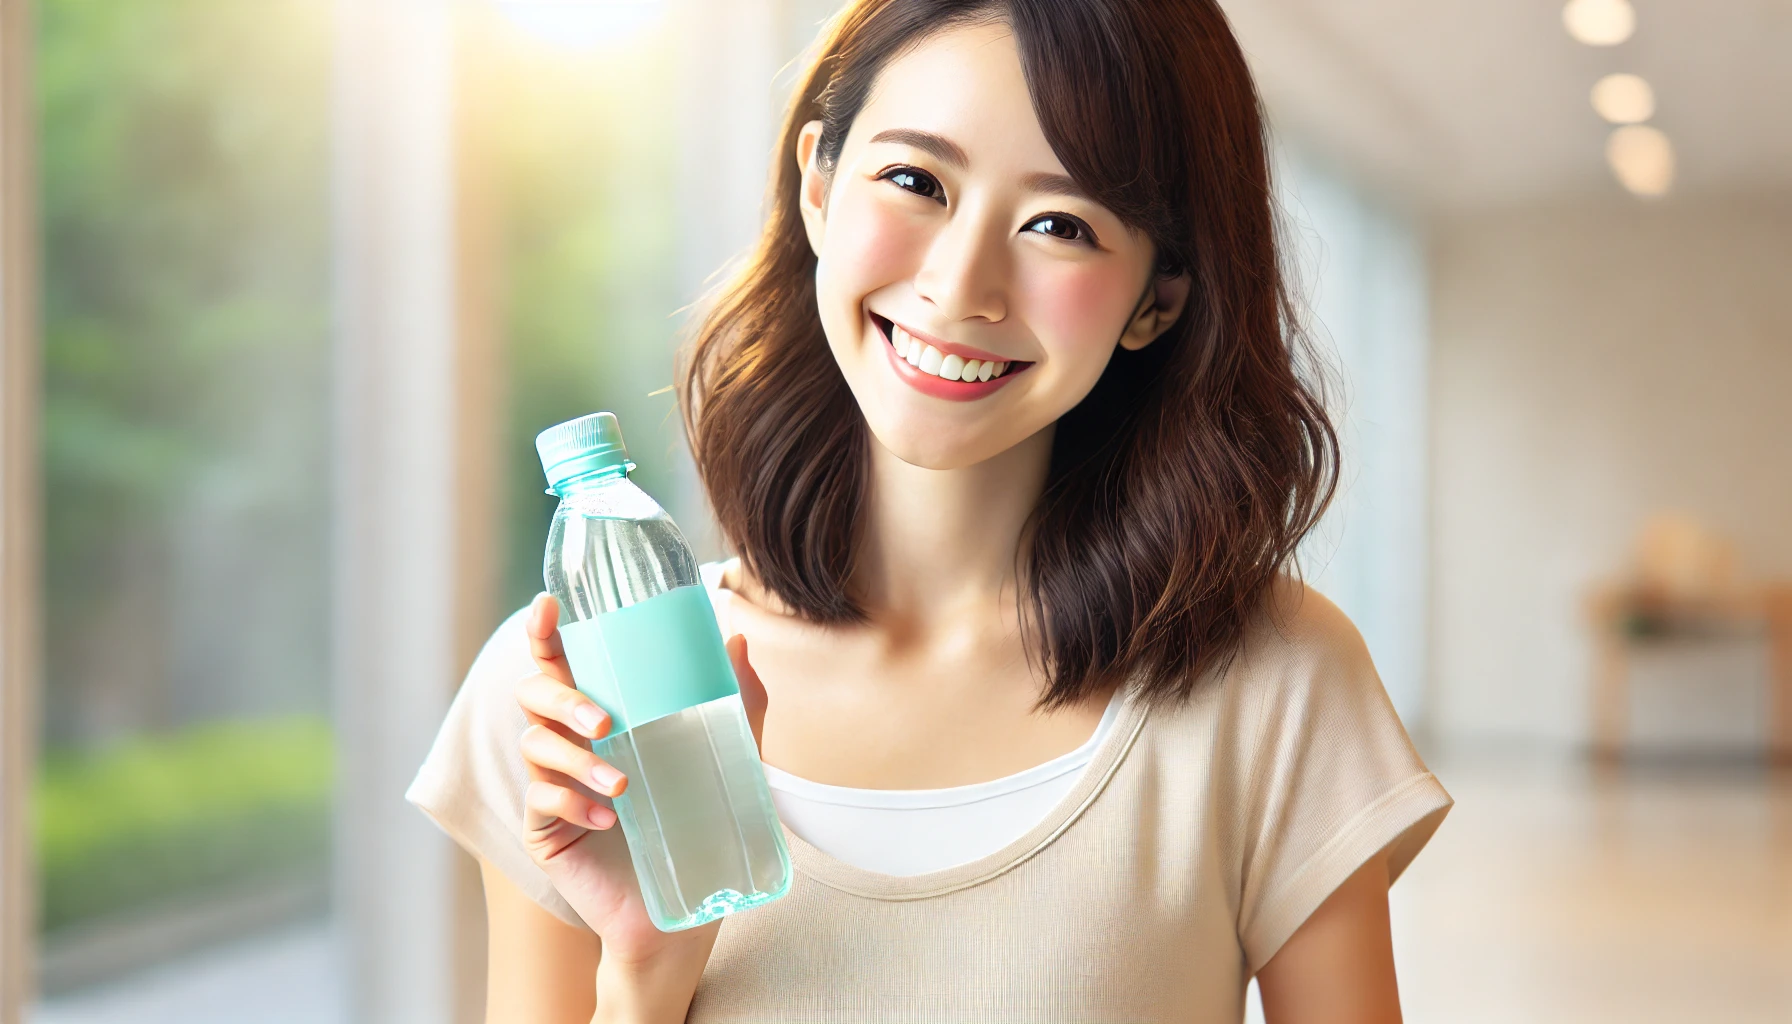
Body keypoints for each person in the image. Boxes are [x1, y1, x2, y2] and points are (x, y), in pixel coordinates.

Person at [409, 1, 1452, 1021]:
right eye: (914, 180)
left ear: (1157, 299)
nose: (961, 286)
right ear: (818, 184)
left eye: (1060, 223)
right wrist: (644, 972)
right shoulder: (566, 706)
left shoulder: (1271, 682)